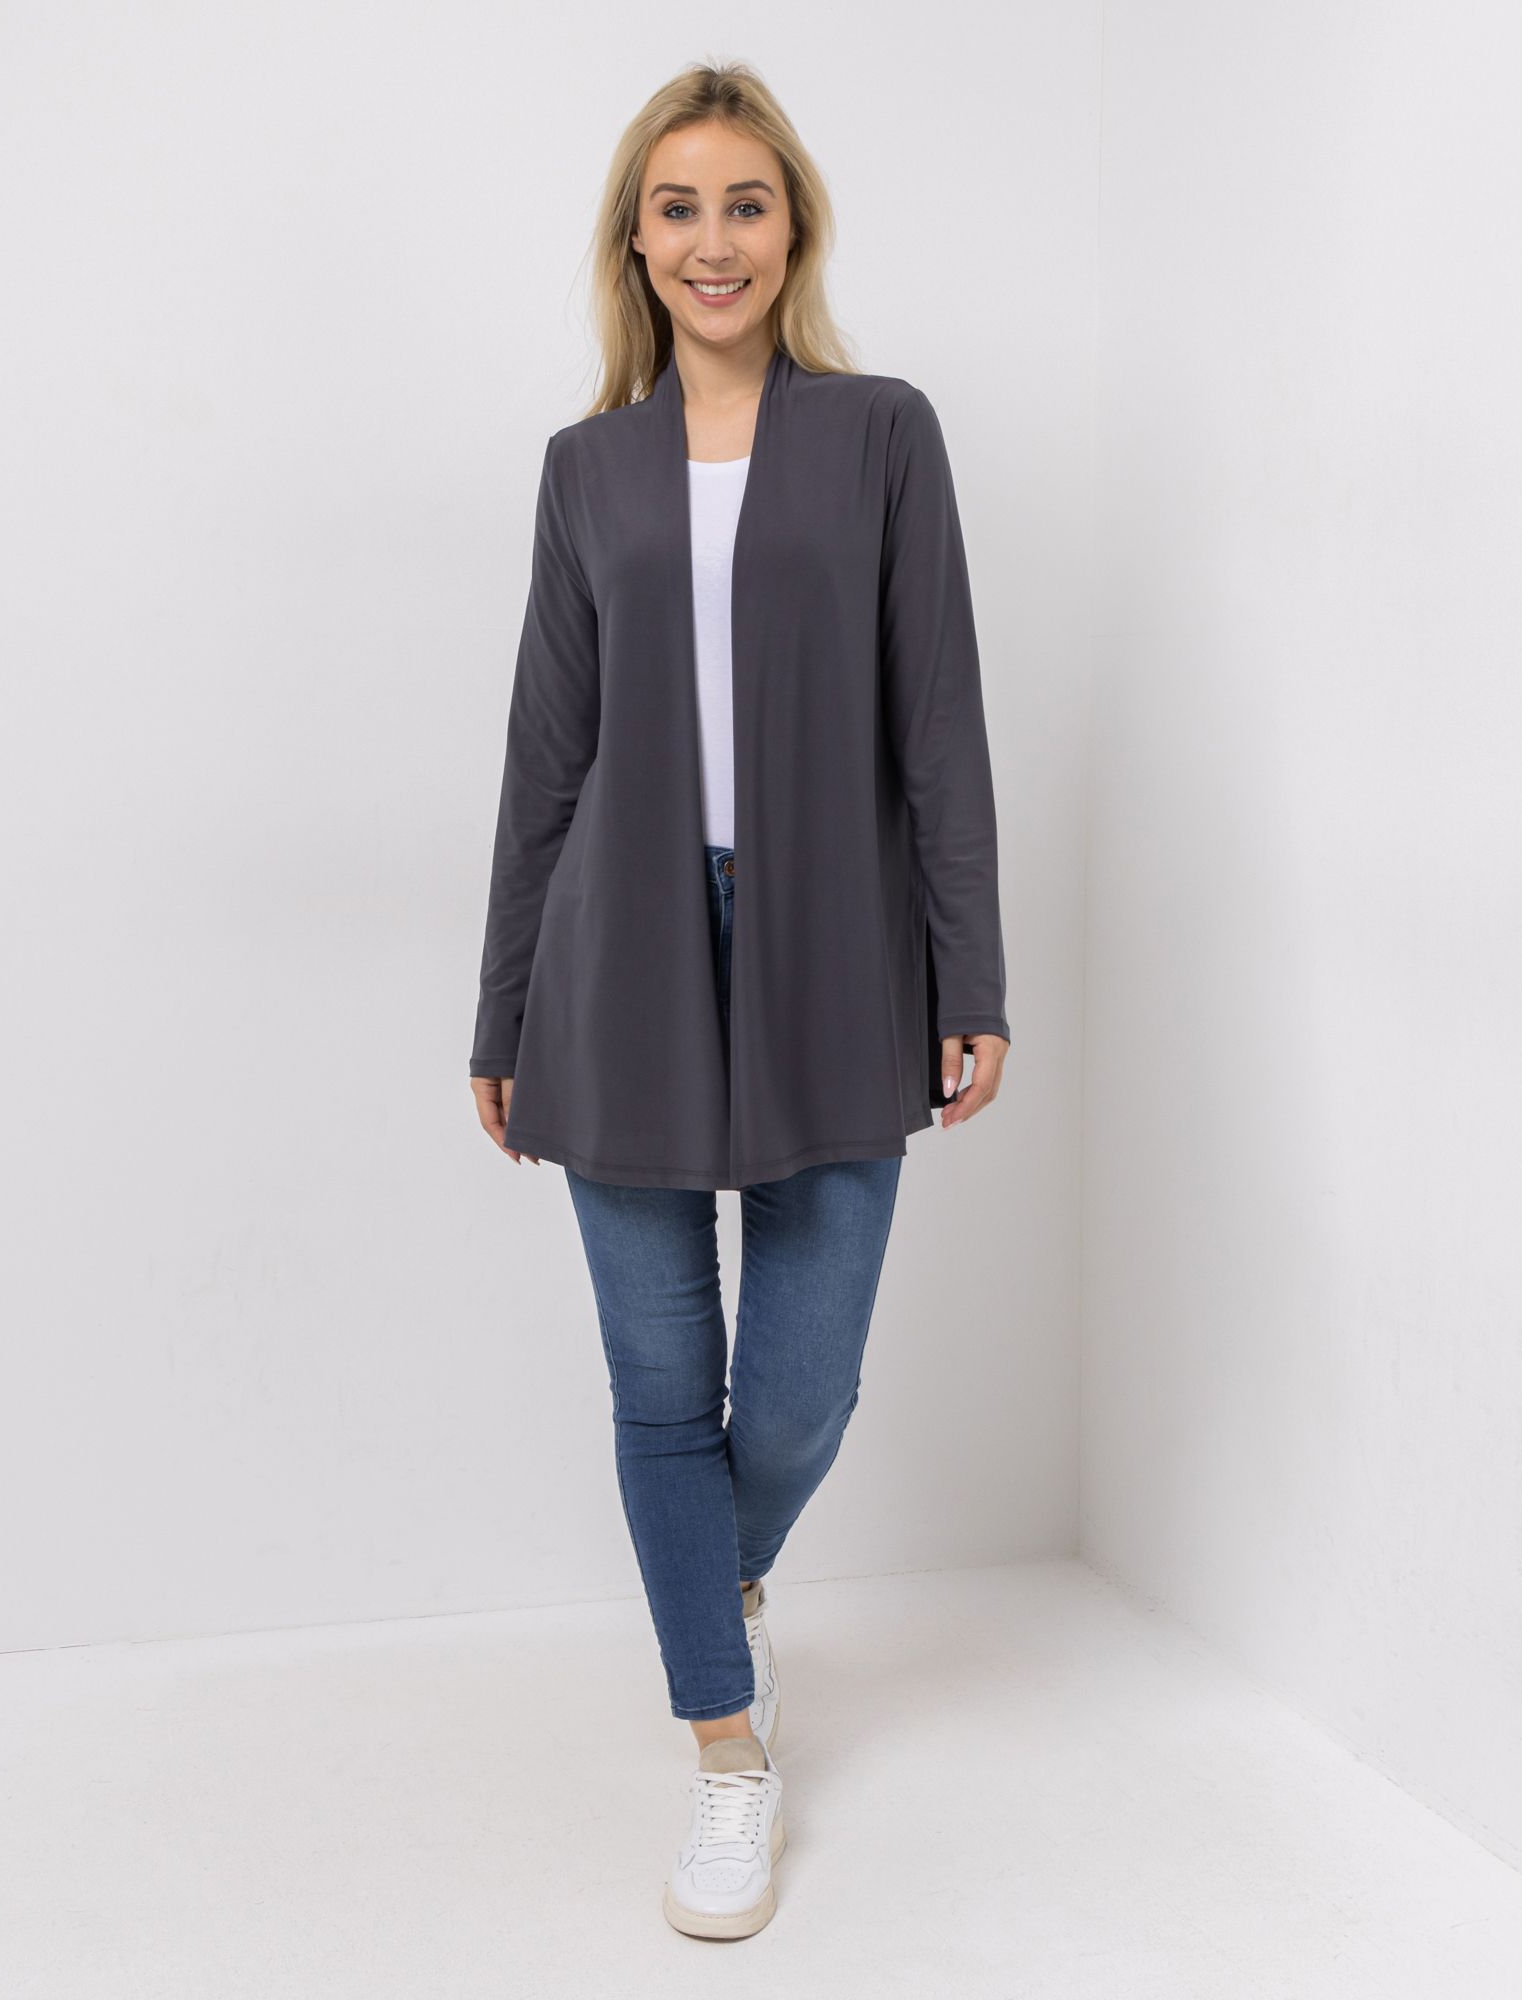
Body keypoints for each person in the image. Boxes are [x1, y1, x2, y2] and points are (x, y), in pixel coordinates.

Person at [467, 60, 1011, 1940]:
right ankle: (726, 1748)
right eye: (679, 207)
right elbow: (544, 759)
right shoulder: (586, 470)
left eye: (748, 203)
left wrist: (970, 969)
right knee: (655, 1391)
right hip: (614, 952)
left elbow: (939, 723)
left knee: (795, 1391)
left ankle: (722, 1580)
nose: (716, 241)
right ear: (637, 240)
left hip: (838, 946)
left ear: (796, 229)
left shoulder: (881, 435)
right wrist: (501, 1012)